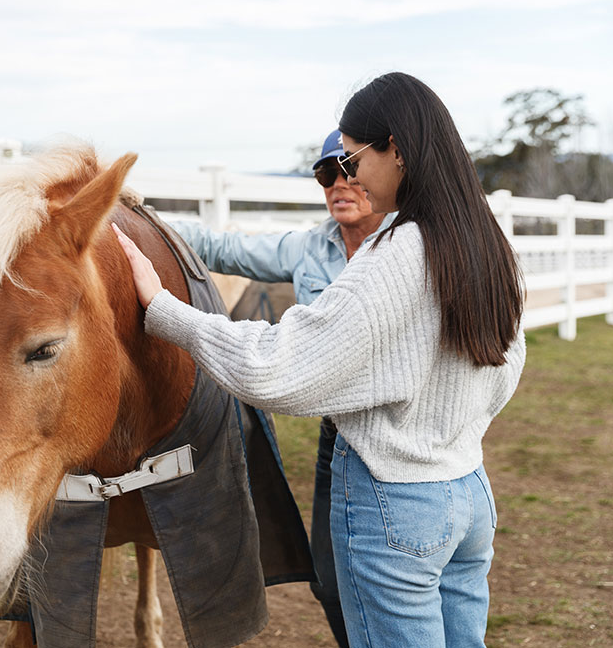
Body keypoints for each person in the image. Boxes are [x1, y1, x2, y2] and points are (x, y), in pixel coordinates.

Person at [113, 72, 526, 647]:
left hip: (394, 495)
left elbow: (276, 368)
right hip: (467, 490)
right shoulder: (483, 241)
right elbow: (507, 367)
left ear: (397, 151)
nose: (347, 176)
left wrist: (162, 309)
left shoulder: (393, 254)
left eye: (353, 159)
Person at [165, 128, 394, 647]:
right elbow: (220, 247)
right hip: (339, 438)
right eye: (324, 174)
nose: (337, 182)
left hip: (400, 432)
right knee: (333, 584)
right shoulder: (311, 247)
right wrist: (133, 218)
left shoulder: (408, 245)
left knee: (402, 583)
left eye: (347, 169)